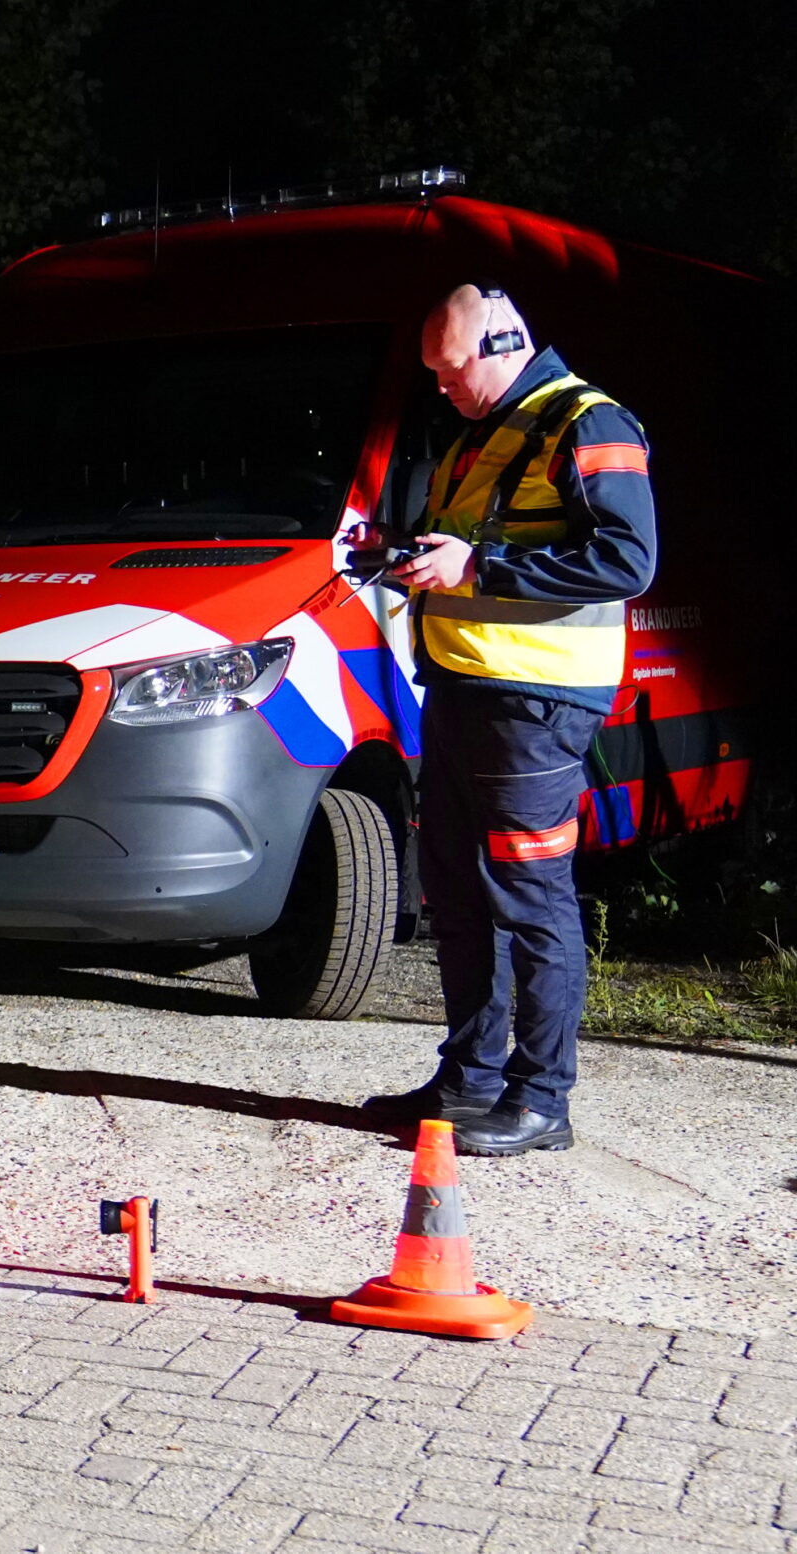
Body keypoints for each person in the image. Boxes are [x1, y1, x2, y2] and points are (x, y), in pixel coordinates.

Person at [353, 284, 657, 1155]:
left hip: (537, 704)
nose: (441, 389)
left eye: (451, 372)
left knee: (529, 897)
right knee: (454, 890)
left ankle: (542, 1100)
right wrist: (407, 555)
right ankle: (468, 1082)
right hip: (464, 690)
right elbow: (468, 554)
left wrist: (474, 566)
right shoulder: (480, 435)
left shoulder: (589, 424)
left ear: (502, 345)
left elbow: (627, 558)